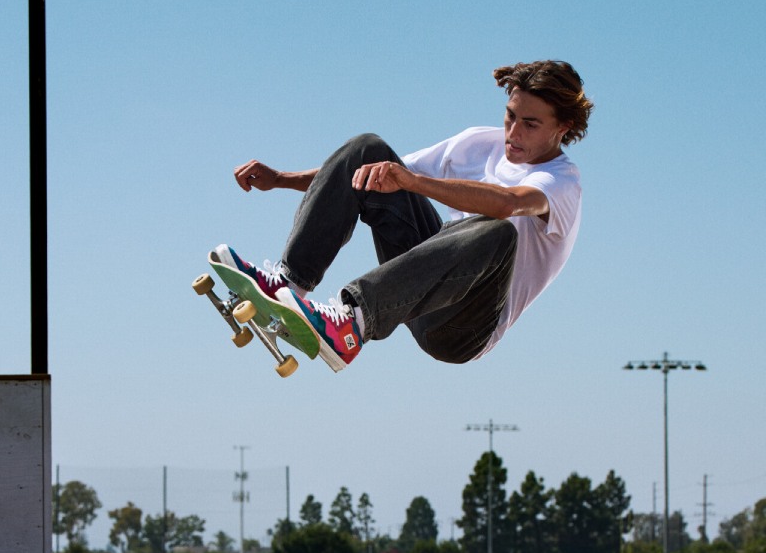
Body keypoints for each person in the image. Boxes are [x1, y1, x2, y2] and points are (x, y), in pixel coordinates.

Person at [214, 59, 593, 371]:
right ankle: (288, 282)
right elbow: (373, 176)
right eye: (510, 116)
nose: (513, 133)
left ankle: (350, 322)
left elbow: (508, 203)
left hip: (463, 327)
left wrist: (414, 183)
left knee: (498, 231)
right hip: (419, 288)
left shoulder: (562, 183)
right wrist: (282, 179)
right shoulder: (480, 143)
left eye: (531, 124)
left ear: (563, 127)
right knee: (368, 151)